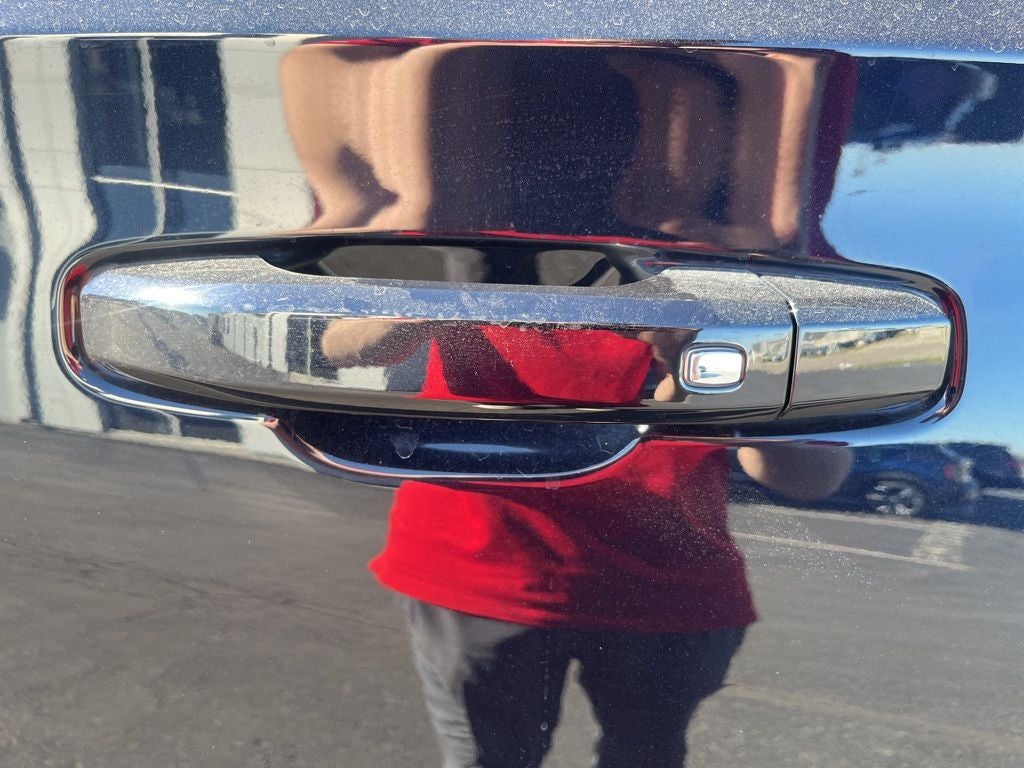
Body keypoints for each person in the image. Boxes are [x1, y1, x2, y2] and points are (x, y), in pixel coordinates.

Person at [322, 318, 851, 768]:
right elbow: (338, 342)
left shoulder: (743, 252)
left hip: (663, 584)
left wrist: (733, 373)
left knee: (641, 756)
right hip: (478, 566)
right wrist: (437, 301)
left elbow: (814, 475)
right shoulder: (453, 231)